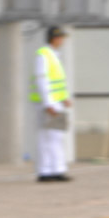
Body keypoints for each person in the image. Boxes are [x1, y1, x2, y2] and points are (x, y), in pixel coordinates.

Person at [30, 25, 72, 182]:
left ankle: (57, 169)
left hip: (55, 102)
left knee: (56, 136)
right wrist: (48, 103)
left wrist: (64, 98)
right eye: (61, 37)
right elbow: (42, 80)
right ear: (54, 38)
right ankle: (44, 171)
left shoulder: (54, 55)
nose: (62, 40)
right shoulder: (43, 55)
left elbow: (57, 82)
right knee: (45, 137)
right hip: (46, 103)